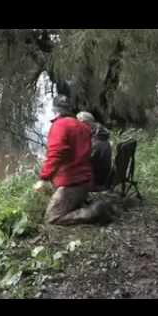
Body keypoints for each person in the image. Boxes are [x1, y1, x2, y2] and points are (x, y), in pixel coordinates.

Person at [34, 95, 112, 226]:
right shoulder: (83, 127)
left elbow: (56, 153)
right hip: (85, 181)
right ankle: (79, 204)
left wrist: (44, 177)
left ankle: (95, 211)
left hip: (71, 183)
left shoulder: (59, 126)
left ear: (56, 110)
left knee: (51, 218)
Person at [76, 112, 113, 190]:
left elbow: (86, 161)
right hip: (104, 175)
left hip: (97, 180)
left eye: (78, 123)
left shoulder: (95, 141)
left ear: (84, 123)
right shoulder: (102, 135)